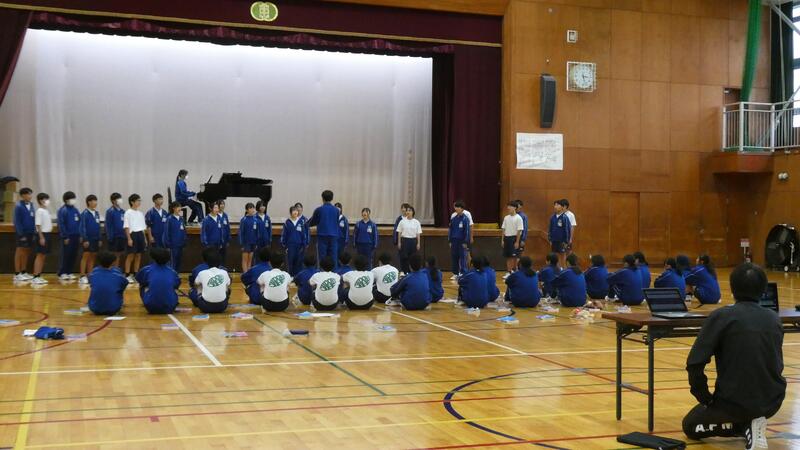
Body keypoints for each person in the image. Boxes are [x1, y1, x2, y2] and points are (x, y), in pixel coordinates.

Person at [682, 263, 785, 450]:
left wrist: (705, 398)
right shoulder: (774, 319)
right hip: (772, 401)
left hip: (732, 402)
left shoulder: (721, 316)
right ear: (763, 289)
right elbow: (777, 363)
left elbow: (695, 363)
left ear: (732, 288)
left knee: (690, 426)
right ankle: (752, 423)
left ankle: (743, 425)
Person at [136, 247, 180, 314]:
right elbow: (176, 285)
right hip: (170, 307)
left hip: (151, 307)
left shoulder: (146, 270)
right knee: (173, 288)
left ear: (153, 258)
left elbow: (139, 279)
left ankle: (150, 300)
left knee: (142, 285)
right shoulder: (173, 272)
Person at [190, 248, 231, 313]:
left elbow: (195, 284)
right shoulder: (224, 272)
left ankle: (202, 300)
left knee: (198, 286)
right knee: (226, 287)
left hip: (205, 307)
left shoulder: (202, 273)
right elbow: (228, 285)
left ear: (206, 262)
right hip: (223, 306)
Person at [87, 251, 129, 316]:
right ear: (113, 262)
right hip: (113, 309)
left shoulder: (92, 275)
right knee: (118, 289)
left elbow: (92, 284)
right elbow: (124, 285)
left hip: (94, 308)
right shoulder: (118, 276)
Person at [308, 190, 341, 269]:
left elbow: (312, 222)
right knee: (333, 256)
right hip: (334, 235)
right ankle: (334, 273)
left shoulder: (319, 210)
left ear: (322, 198)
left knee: (322, 256)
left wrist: (307, 224)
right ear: (332, 198)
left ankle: (322, 273)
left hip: (322, 235)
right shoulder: (337, 210)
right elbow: (337, 221)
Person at [56, 191, 81, 281]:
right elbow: (61, 224)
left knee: (73, 254)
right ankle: (62, 272)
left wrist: (80, 234)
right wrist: (65, 236)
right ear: (66, 200)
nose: (73, 200)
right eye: (71, 198)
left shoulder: (75, 210)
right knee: (65, 254)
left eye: (74, 198)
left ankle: (69, 272)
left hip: (76, 235)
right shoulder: (62, 210)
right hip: (67, 236)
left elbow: (80, 222)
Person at [123, 194, 147, 283]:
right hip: (132, 234)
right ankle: (127, 274)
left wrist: (144, 238)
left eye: (140, 200)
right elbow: (126, 227)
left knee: (138, 255)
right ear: (132, 202)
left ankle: (136, 273)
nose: (139, 202)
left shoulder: (140, 213)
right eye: (137, 200)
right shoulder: (128, 212)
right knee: (131, 255)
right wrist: (129, 238)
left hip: (140, 234)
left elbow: (143, 227)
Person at [13, 187, 35, 282]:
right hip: (22, 233)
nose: (30, 196)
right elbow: (17, 221)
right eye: (28, 194)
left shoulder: (32, 205)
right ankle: (17, 274)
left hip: (30, 232)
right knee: (20, 251)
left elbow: (33, 218)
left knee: (26, 251)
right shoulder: (18, 206)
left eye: (30, 194)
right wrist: (21, 234)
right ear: (23, 195)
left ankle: (23, 271)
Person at [78, 195, 102, 284]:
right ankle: (82, 276)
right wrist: (85, 239)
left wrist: (99, 238)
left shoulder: (97, 213)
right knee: (86, 256)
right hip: (88, 239)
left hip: (95, 239)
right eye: (93, 201)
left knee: (93, 256)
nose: (95, 203)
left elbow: (98, 227)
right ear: (89, 202)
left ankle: (90, 275)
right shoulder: (84, 214)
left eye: (96, 201)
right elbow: (82, 227)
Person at [31, 193, 52, 285]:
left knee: (43, 256)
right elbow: (38, 225)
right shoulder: (39, 211)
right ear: (40, 200)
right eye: (45, 199)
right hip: (42, 235)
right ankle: (35, 276)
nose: (47, 201)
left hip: (47, 234)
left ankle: (39, 275)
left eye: (47, 199)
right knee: (39, 255)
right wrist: (41, 237)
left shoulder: (46, 211)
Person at [395, 205, 422, 275]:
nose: (408, 212)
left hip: (413, 241)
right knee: (404, 257)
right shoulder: (402, 221)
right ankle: (404, 271)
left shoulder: (416, 222)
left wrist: (418, 243)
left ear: (413, 212)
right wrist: (399, 242)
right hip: (404, 241)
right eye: (407, 210)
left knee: (412, 257)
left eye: (410, 210)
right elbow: (399, 232)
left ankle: (411, 272)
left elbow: (418, 233)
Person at [282, 206, 307, 276]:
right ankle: (290, 277)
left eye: (296, 211)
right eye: (293, 211)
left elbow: (303, 234)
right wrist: (285, 246)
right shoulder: (287, 222)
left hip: (299, 246)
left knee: (298, 263)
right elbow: (284, 235)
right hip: (290, 246)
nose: (295, 212)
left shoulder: (301, 222)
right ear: (290, 213)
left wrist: (304, 245)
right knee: (290, 262)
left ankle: (297, 277)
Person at [500, 201, 523, 278]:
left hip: (514, 238)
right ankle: (509, 272)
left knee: (514, 256)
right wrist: (502, 240)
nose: (508, 208)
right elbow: (503, 229)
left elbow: (519, 231)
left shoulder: (518, 218)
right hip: (507, 238)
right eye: (508, 206)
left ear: (515, 208)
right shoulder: (506, 217)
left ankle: (514, 271)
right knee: (508, 256)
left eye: (510, 206)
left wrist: (517, 242)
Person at [449, 201, 471, 279]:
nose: (456, 208)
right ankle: (455, 273)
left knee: (463, 257)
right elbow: (450, 230)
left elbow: (467, 231)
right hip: (454, 241)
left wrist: (465, 242)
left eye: (458, 207)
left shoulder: (465, 219)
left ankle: (463, 273)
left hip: (462, 241)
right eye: (456, 207)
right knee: (454, 257)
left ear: (462, 208)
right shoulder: (453, 219)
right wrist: (450, 241)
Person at [163, 201, 187, 272]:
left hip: (180, 244)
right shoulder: (169, 219)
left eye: (180, 207)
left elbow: (184, 230)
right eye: (177, 207)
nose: (179, 208)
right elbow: (166, 232)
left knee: (178, 260)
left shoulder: (181, 219)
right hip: (173, 244)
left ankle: (177, 274)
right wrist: (168, 243)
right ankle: (171, 274)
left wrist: (184, 240)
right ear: (173, 208)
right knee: (173, 261)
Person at [548, 200, 572, 267]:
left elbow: (567, 230)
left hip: (562, 241)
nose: (555, 206)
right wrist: (550, 239)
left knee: (563, 255)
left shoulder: (565, 218)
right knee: (555, 256)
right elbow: (550, 229)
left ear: (562, 207)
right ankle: (557, 269)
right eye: (554, 205)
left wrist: (566, 241)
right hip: (554, 240)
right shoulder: (552, 217)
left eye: (557, 205)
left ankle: (563, 269)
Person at [105, 192, 126, 266]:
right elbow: (108, 225)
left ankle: (116, 269)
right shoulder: (110, 211)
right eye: (118, 199)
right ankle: (112, 270)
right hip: (114, 237)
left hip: (122, 236)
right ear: (113, 201)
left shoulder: (123, 211)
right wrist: (110, 237)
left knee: (119, 254)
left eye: (120, 198)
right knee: (113, 255)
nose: (120, 200)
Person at [239, 202, 259, 273]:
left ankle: (249, 274)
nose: (252, 209)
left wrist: (256, 242)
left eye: (253, 208)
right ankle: (245, 274)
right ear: (247, 210)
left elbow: (257, 232)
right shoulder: (244, 220)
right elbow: (241, 233)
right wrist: (241, 244)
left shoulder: (255, 219)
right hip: (246, 243)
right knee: (245, 259)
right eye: (250, 208)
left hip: (253, 242)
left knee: (250, 260)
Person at [217, 200, 231, 266]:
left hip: (224, 240)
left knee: (223, 256)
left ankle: (223, 268)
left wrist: (228, 239)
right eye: (221, 204)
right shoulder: (216, 215)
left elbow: (227, 227)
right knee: (217, 256)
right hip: (217, 240)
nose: (222, 206)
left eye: (223, 204)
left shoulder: (225, 215)